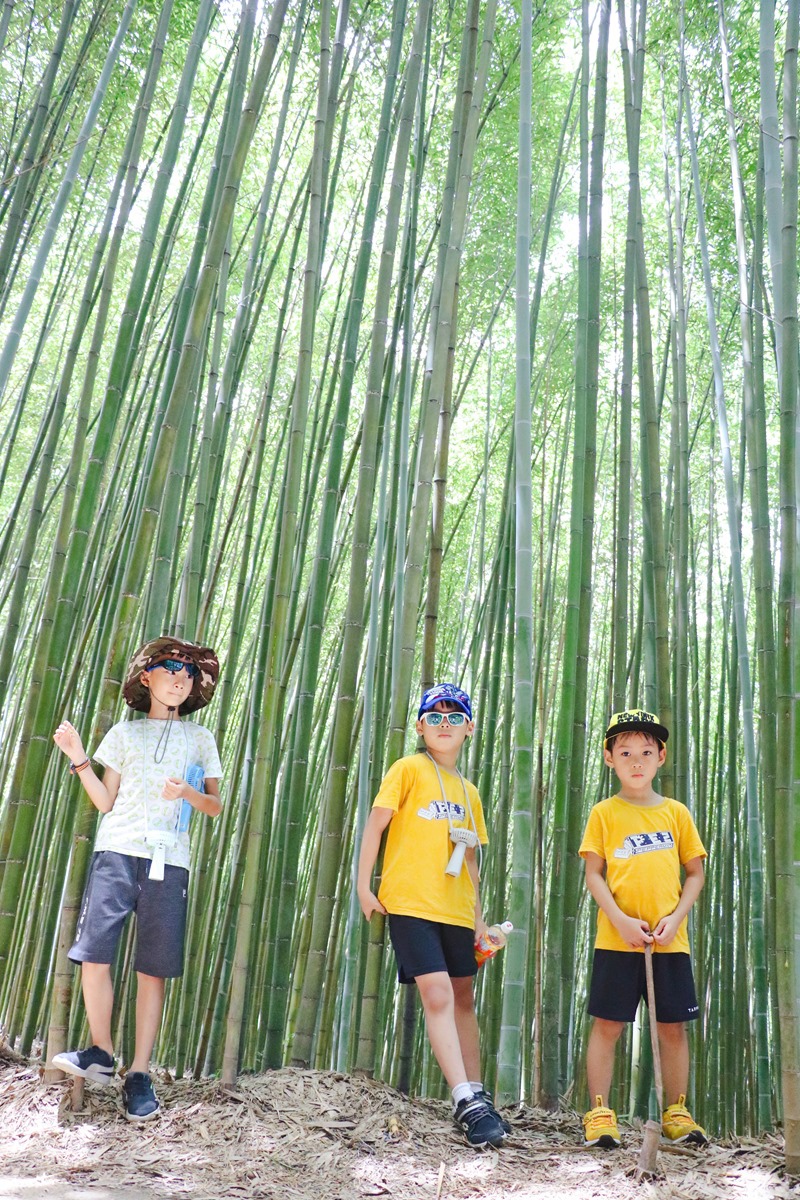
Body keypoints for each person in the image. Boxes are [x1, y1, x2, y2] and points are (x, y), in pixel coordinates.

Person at [50, 636, 223, 1122]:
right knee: (94, 952)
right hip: (117, 850)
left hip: (170, 858)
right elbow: (105, 802)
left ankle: (140, 1072)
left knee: (154, 966)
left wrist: (187, 791)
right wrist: (77, 753)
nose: (179, 678)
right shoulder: (124, 733)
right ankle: (102, 1052)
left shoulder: (200, 737)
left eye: (188, 673)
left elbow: (215, 806)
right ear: (146, 677)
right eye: (170, 668)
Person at [357, 682, 508, 1149]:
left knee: (463, 997)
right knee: (438, 993)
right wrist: (364, 886)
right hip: (411, 903)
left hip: (458, 910)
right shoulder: (407, 769)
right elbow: (375, 826)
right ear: (421, 726)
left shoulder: (470, 791)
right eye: (435, 716)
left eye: (454, 716)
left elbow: (472, 862)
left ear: (469, 728)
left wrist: (480, 919)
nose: (445, 724)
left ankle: (478, 1090)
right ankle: (464, 1100)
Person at [579, 708, 708, 1149]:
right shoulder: (604, 813)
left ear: (661, 757)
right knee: (608, 1024)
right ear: (609, 757)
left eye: (646, 752)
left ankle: (677, 1110)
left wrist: (676, 919)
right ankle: (599, 1112)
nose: (637, 760)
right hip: (616, 940)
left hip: (670, 941)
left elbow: (695, 872)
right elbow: (594, 872)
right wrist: (618, 918)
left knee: (672, 1027)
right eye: (626, 751)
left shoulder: (675, 813)